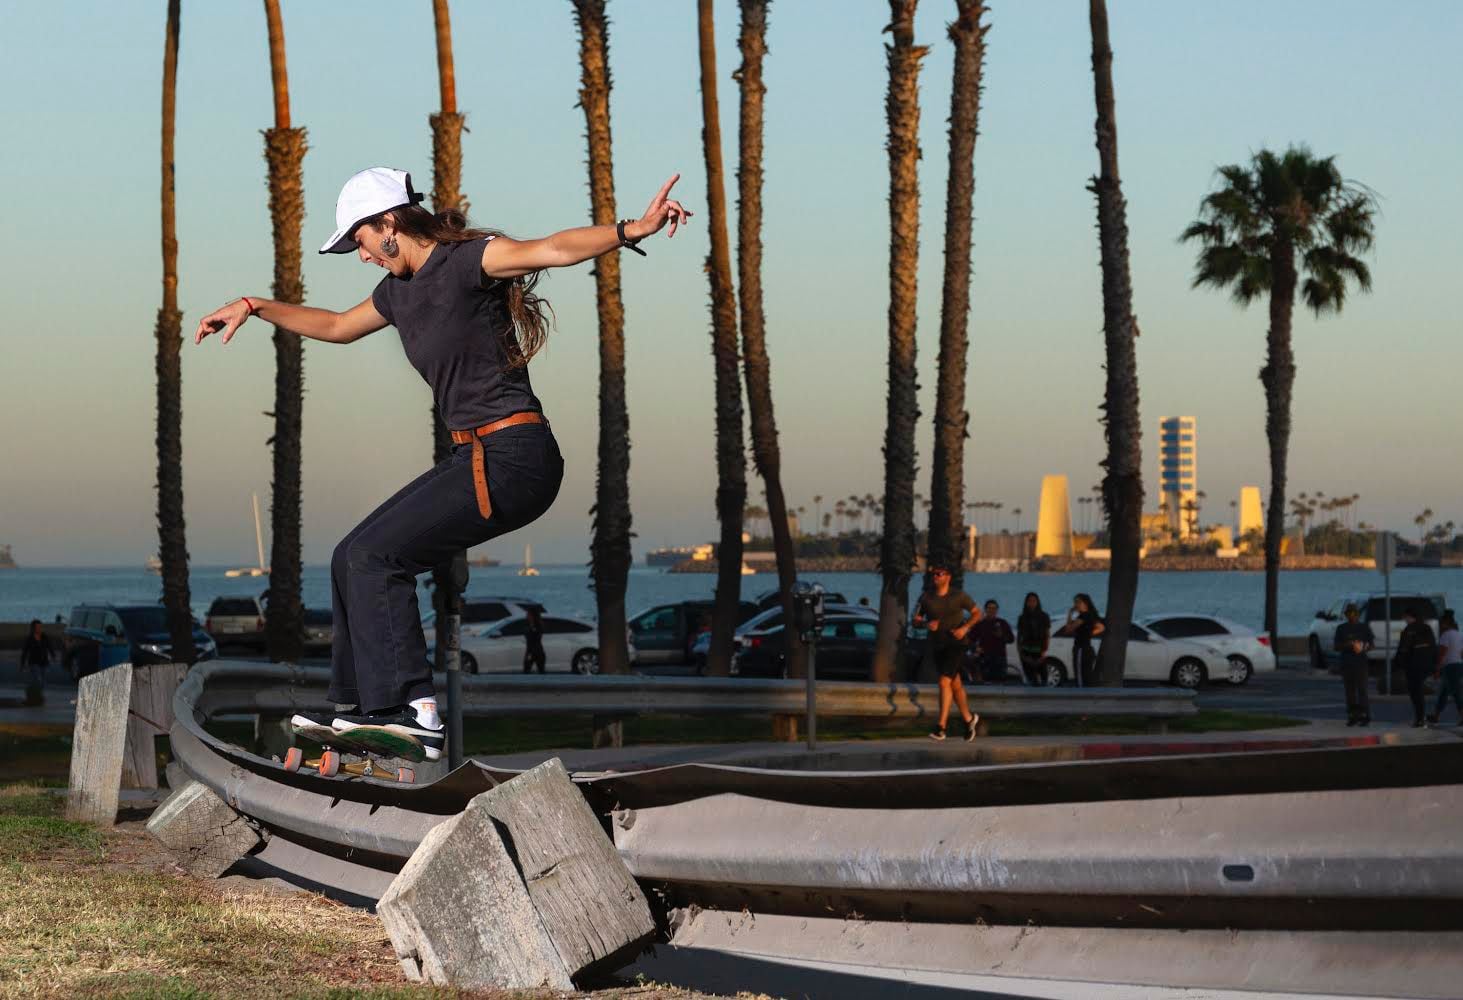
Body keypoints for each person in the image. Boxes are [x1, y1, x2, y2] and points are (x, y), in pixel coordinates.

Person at [196, 167, 690, 760]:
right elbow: (333, 326)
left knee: (377, 557)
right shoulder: (396, 294)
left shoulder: (469, 262)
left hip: (517, 456)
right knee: (348, 556)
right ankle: (364, 709)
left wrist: (633, 228)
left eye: (358, 240)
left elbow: (553, 249)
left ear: (388, 225)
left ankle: (413, 708)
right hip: (473, 454)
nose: (360, 256)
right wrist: (253, 306)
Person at [912, 563, 979, 741]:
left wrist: (964, 629)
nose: (936, 576)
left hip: (957, 644)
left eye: (940, 574)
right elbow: (915, 621)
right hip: (938, 646)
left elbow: (976, 613)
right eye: (934, 574)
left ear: (948, 577)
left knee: (943, 682)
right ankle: (969, 719)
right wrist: (927, 624)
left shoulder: (959, 596)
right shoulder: (925, 598)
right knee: (955, 684)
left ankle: (941, 728)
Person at [1396, 606, 1437, 728]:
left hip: (1413, 665)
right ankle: (1420, 718)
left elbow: (1403, 649)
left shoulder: (1409, 629)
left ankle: (1420, 719)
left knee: (1415, 692)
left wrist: (1399, 663)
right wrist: (1433, 664)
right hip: (1426, 664)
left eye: (1405, 617)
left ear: (1409, 616)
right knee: (1418, 690)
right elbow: (1433, 647)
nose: (1404, 619)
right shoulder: (1427, 628)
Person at [1333, 603, 1373, 727]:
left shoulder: (1364, 627)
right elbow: (1336, 646)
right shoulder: (1341, 628)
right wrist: (1349, 644)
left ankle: (1365, 715)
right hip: (1347, 663)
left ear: (1358, 615)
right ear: (1346, 615)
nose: (1352, 616)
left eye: (1354, 613)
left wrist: (1364, 646)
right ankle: (1352, 716)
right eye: (1349, 613)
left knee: (1362, 690)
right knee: (1350, 692)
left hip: (1361, 663)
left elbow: (1371, 644)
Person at [1428, 612, 1463, 726]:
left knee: (1456, 692)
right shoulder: (1459, 634)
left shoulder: (1445, 635)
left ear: (1446, 623)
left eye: (1442, 623)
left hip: (1449, 667)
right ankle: (1436, 716)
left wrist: (1437, 669)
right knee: (1444, 692)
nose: (1441, 625)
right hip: (1458, 665)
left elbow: (1442, 654)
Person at [970, 599, 1015, 684]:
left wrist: (1002, 636)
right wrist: (975, 649)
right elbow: (970, 639)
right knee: (986, 682)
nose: (992, 610)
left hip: (1000, 658)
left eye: (994, 608)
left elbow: (1011, 639)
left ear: (997, 610)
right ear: (985, 609)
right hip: (985, 658)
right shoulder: (980, 624)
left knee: (1000, 682)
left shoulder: (1002, 623)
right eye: (989, 608)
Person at [1065, 594, 1104, 687]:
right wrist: (1089, 633)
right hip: (1088, 648)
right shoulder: (1091, 614)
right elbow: (1101, 627)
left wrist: (1070, 613)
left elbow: (1068, 629)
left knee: (1080, 677)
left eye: (1078, 602)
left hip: (1081, 649)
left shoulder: (1083, 616)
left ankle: (1081, 696)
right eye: (1075, 602)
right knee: (1087, 675)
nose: (1076, 605)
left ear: (1085, 603)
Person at [1016, 592, 1051, 686]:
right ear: (1026, 603)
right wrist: (1020, 652)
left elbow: (1047, 635)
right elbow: (1019, 636)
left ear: (1037, 602)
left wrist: (1044, 651)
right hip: (1026, 652)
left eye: (1034, 601)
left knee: (1044, 678)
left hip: (1040, 651)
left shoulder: (1044, 616)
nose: (1032, 603)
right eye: (1029, 601)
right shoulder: (1022, 618)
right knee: (1031, 680)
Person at [19, 619, 53, 706]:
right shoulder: (30, 639)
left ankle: (38, 696)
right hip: (34, 663)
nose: (39, 629)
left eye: (40, 627)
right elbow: (25, 652)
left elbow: (49, 647)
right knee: (38, 679)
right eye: (37, 627)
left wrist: (53, 655)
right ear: (33, 628)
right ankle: (34, 696)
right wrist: (22, 664)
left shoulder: (44, 637)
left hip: (44, 663)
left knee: (42, 682)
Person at [523, 607, 547, 674]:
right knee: (526, 670)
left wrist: (533, 629)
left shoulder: (538, 625)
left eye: (529, 614)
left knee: (541, 670)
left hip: (538, 651)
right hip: (530, 651)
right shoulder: (527, 625)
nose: (527, 616)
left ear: (533, 615)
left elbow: (537, 636)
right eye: (527, 614)